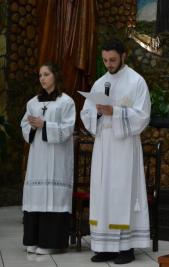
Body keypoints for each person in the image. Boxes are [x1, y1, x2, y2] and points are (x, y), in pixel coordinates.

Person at [80, 39, 151, 264]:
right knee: (103, 194)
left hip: (125, 147)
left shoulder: (137, 81)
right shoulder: (100, 83)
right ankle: (105, 246)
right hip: (103, 146)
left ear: (123, 56)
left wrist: (115, 112)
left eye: (112, 60)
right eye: (105, 60)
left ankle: (126, 248)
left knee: (123, 193)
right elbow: (86, 113)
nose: (108, 64)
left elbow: (142, 116)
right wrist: (99, 114)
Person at [21, 62, 76, 255]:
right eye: (40, 75)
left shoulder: (66, 102)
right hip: (38, 158)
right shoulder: (33, 102)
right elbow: (24, 126)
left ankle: (52, 243)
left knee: (54, 198)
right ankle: (34, 240)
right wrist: (32, 126)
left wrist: (45, 125)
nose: (42, 78)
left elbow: (68, 129)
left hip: (57, 159)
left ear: (55, 76)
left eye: (46, 74)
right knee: (36, 197)